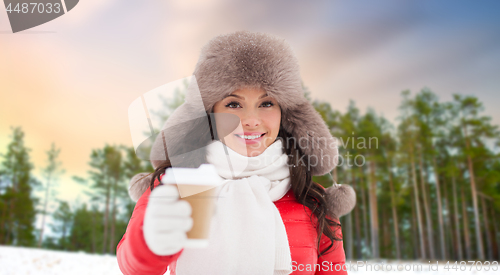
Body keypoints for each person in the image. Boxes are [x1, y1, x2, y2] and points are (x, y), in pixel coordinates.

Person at [117, 31, 356, 275]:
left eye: (266, 103)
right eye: (233, 104)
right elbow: (133, 268)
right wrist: (150, 242)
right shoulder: (175, 185)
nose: (251, 120)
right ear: (209, 114)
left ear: (286, 113)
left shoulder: (314, 202)